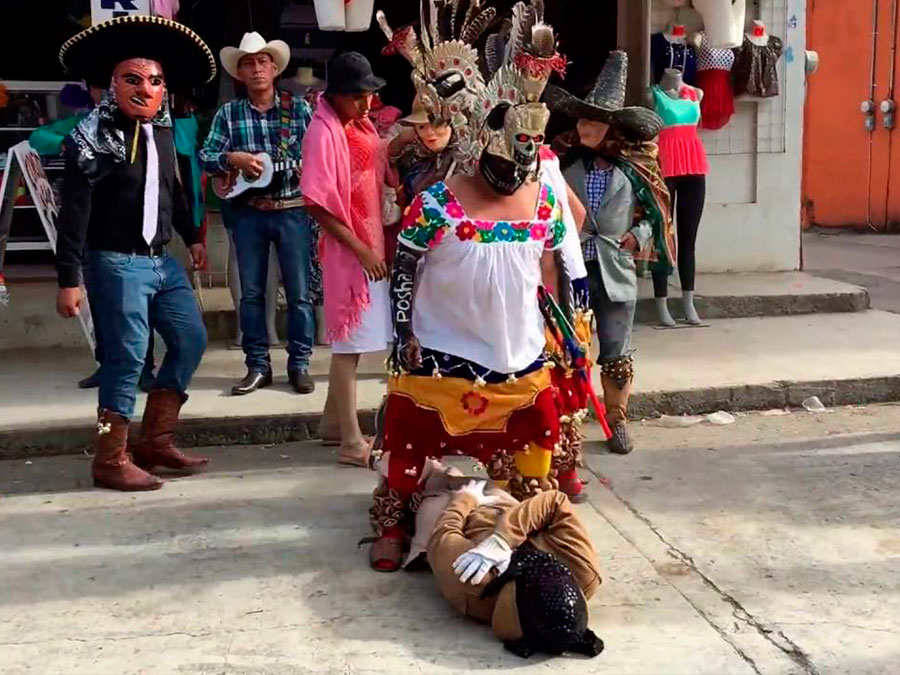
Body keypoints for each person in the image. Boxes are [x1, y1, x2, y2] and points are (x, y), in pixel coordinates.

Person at [368, 1, 572, 572]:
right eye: (504, 161)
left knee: (536, 439)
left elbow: (547, 266)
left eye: (525, 164)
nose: (514, 174)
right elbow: (404, 266)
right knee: (411, 438)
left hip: (520, 350)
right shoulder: (436, 201)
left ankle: (531, 514)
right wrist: (403, 329)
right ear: (481, 144)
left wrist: (557, 323)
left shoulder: (547, 200)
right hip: (440, 349)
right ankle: (394, 514)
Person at [56, 16, 216, 491]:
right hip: (113, 260)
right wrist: (69, 278)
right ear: (112, 85)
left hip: (162, 261)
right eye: (133, 80)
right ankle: (110, 456)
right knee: (125, 359)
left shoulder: (164, 133)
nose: (145, 90)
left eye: (155, 81)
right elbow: (74, 214)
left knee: (191, 339)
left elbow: (177, 190)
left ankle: (156, 440)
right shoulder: (89, 140)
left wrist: (193, 237)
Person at [546, 51, 675, 455]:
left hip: (615, 266)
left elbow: (656, 210)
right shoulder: (562, 161)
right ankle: (569, 419)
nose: (584, 127)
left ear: (611, 127)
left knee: (616, 347)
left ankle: (617, 419)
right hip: (571, 265)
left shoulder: (636, 165)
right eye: (582, 119)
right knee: (569, 345)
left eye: (593, 121)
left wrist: (638, 235)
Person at [200, 32, 316, 396]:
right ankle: (257, 366)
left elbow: (318, 155)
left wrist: (305, 170)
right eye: (248, 63)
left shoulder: (298, 109)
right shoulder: (229, 114)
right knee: (251, 294)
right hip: (249, 213)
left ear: (275, 67)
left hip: (292, 210)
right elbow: (207, 156)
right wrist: (231, 159)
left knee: (299, 293)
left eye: (262, 61)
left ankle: (299, 364)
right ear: (240, 73)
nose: (256, 68)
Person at [399, 459, 604, 659]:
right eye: (549, 561)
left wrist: (465, 500)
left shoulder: (474, 584)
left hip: (464, 515)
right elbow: (554, 501)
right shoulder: (583, 571)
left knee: (431, 486)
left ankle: (420, 470)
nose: (542, 561)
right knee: (481, 483)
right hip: (507, 508)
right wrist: (503, 539)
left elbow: (444, 534)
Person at [30, 83, 159, 391]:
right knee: (101, 304)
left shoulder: (142, 126)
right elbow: (38, 138)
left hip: (133, 232)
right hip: (94, 231)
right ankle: (107, 364)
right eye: (103, 88)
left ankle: (145, 368)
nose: (109, 94)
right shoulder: (85, 124)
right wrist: (70, 144)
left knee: (138, 308)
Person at [301, 52, 393, 467]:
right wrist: (359, 247)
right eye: (358, 96)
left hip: (370, 240)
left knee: (357, 342)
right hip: (349, 251)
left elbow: (373, 162)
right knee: (349, 346)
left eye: (370, 95)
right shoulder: (323, 132)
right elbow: (316, 204)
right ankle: (352, 443)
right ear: (335, 95)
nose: (367, 103)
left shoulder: (357, 122)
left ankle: (332, 425)